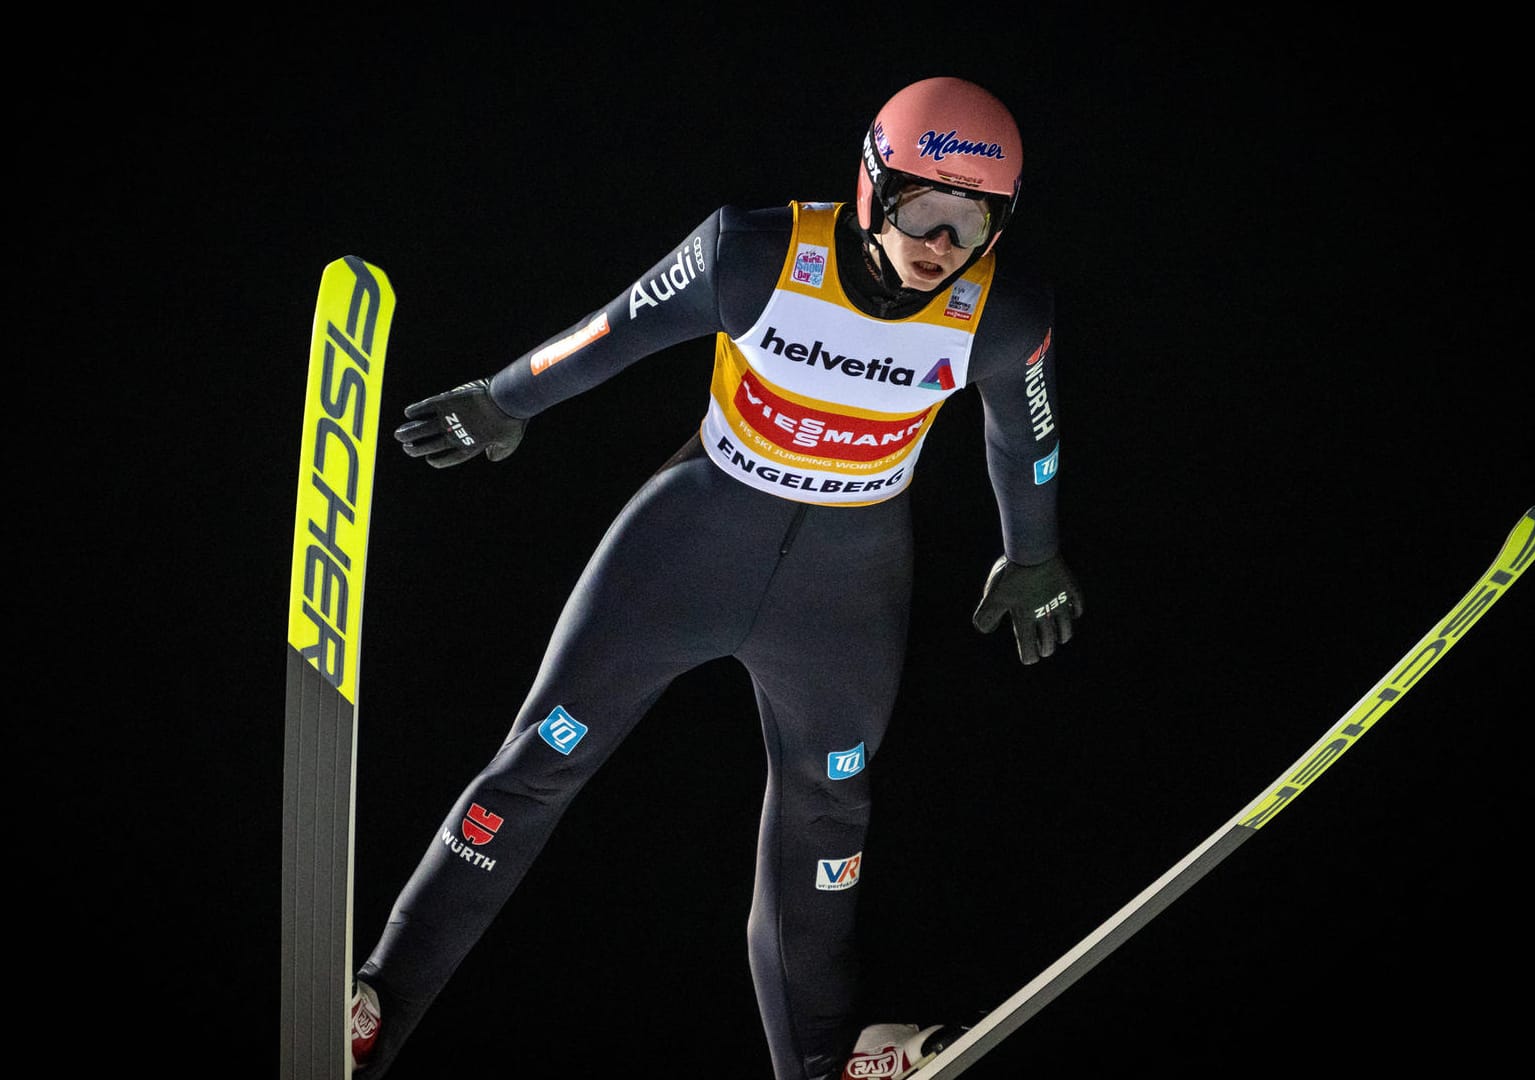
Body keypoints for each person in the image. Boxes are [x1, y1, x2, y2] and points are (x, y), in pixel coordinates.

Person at [350, 75, 1082, 1080]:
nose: (940, 247)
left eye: (972, 222)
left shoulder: (999, 313)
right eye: (923, 209)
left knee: (828, 824)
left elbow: (1024, 438)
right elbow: (615, 329)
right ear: (874, 186)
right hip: (690, 545)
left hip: (843, 592)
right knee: (537, 763)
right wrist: (505, 398)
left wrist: (1032, 550)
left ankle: (825, 1067)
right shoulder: (758, 251)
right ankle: (375, 1007)